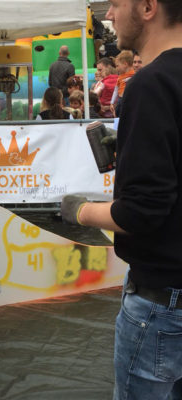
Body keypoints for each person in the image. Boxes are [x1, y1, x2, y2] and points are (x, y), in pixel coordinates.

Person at [61, 0, 182, 398]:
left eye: (115, 4)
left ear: (148, 7)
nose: (108, 15)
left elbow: (140, 212)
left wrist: (77, 209)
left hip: (161, 301)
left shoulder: (151, 85)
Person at [110, 50, 134, 117]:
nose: (116, 68)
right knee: (117, 115)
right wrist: (112, 102)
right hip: (120, 99)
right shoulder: (120, 77)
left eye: (117, 66)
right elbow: (116, 89)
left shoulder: (134, 74)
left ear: (125, 64)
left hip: (128, 99)